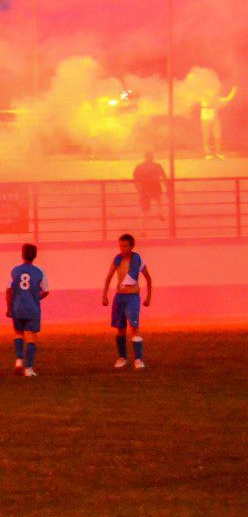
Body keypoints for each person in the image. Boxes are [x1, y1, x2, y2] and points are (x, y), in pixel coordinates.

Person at [102, 233, 154, 370]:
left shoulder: (137, 260)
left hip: (132, 297)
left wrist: (148, 297)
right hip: (119, 297)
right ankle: (122, 358)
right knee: (120, 329)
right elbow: (109, 277)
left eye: (125, 246)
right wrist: (105, 295)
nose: (122, 248)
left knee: (134, 327)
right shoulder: (117, 259)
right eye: (120, 246)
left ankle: (138, 359)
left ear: (131, 246)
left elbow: (148, 278)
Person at [5, 243, 49, 376]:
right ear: (35, 255)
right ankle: (28, 368)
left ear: (22, 254)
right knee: (31, 338)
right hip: (32, 309)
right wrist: (36, 298)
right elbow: (46, 291)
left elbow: (8, 290)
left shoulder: (15, 271)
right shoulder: (39, 271)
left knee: (18, 334)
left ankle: (19, 361)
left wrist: (9, 308)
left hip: (17, 308)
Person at [132, 151, 167, 217]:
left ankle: (147, 219)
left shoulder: (140, 166)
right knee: (158, 202)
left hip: (145, 189)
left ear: (144, 157)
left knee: (145, 208)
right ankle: (159, 213)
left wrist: (138, 188)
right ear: (152, 157)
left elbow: (135, 178)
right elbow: (164, 177)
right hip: (154, 188)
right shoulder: (157, 166)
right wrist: (167, 188)